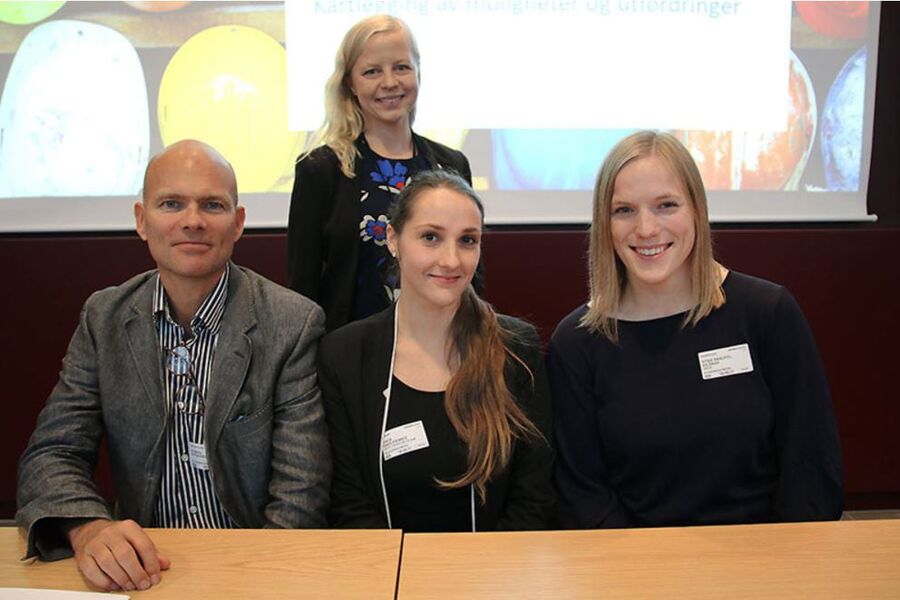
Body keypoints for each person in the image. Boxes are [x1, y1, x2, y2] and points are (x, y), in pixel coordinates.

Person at [17, 140, 331, 591]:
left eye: (212, 205)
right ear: (142, 221)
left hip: (254, 569)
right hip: (146, 569)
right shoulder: (103, 318)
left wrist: (256, 580)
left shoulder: (292, 323)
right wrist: (90, 530)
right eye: (171, 204)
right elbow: (52, 453)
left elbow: (301, 493)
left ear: (238, 223)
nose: (193, 221)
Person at [549, 131, 843, 529]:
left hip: (766, 566)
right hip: (635, 574)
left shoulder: (767, 313)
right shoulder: (578, 343)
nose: (647, 228)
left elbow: (810, 466)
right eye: (624, 210)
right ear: (605, 223)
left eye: (666, 205)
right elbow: (583, 494)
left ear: (696, 210)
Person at [318, 170, 553, 531]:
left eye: (467, 241)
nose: (451, 261)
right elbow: (347, 501)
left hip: (497, 577)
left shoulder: (515, 349)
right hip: (387, 577)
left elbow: (533, 497)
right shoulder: (346, 355)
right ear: (394, 240)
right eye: (431, 237)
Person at [287, 14, 472, 332]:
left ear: (417, 72)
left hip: (440, 349)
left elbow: (470, 276)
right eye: (372, 71)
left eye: (401, 67)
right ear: (351, 84)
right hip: (346, 358)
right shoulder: (320, 170)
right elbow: (302, 288)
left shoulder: (451, 166)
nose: (390, 82)